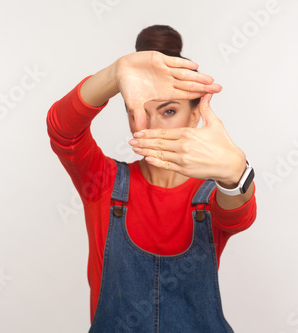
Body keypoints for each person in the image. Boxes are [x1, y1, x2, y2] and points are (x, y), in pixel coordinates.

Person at [47, 24, 257, 332]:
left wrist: (236, 175)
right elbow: (63, 131)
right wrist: (116, 74)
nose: (150, 126)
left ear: (195, 114)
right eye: (137, 113)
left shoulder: (210, 197)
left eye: (168, 111)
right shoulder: (104, 183)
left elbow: (238, 215)